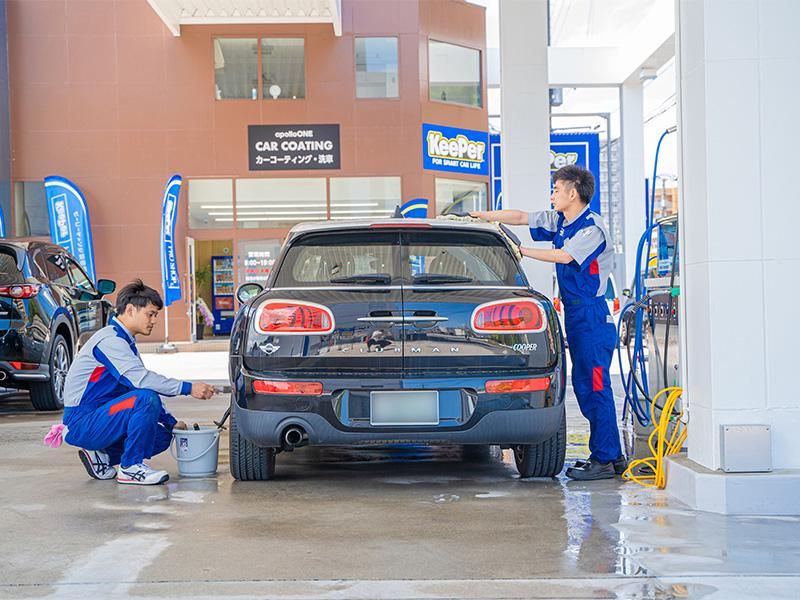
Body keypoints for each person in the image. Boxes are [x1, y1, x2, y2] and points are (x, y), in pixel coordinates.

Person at [471, 165, 625, 481]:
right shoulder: (561, 221)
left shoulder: (591, 229)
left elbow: (566, 257)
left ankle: (606, 459)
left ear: (573, 192)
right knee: (585, 386)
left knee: (596, 386)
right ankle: (610, 455)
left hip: (592, 317)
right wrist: (483, 217)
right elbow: (521, 217)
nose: (552, 195)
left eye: (556, 189)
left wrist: (521, 251)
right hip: (576, 316)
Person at [60, 279, 216, 485]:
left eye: (156, 315)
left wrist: (171, 422)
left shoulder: (125, 342)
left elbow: (138, 384)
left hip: (103, 416)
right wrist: (189, 388)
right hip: (82, 422)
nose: (154, 320)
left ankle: (102, 456)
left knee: (163, 435)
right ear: (130, 310)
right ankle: (130, 467)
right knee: (145, 398)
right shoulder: (110, 341)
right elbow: (142, 381)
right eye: (150, 314)